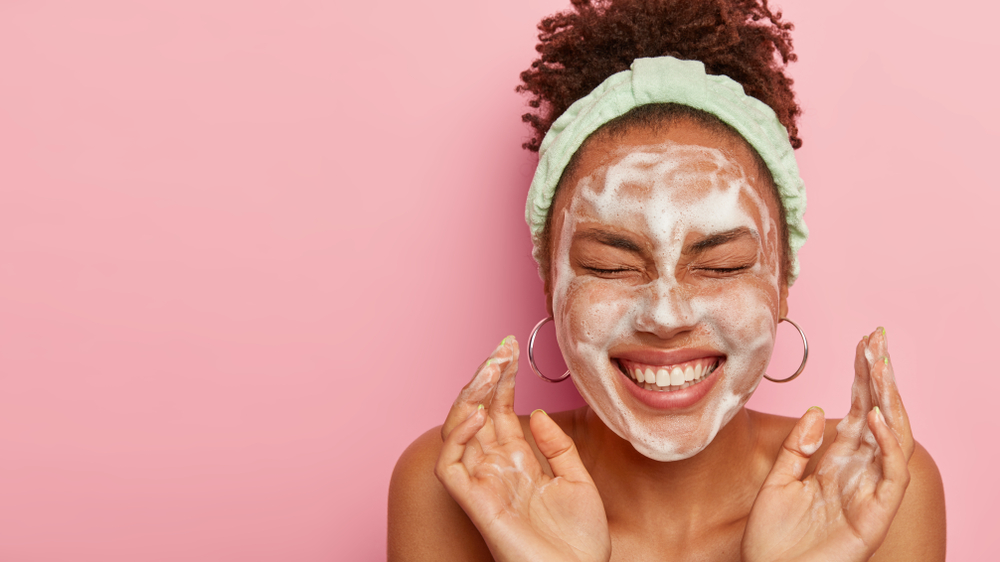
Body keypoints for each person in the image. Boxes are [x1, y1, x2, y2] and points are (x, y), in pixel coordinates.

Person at [387, 0, 946, 560]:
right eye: (610, 266)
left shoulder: (871, 487)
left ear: (781, 285)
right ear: (551, 285)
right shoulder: (458, 483)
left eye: (721, 265)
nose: (666, 315)